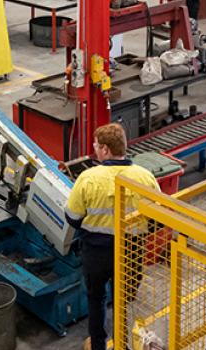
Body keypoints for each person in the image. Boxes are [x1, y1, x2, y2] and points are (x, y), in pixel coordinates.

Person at [65, 123, 160, 350]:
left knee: (96, 299)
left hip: (96, 252)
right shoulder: (145, 177)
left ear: (106, 150)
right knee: (124, 300)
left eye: (97, 146)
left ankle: (97, 344)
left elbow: (72, 218)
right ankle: (122, 343)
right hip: (131, 250)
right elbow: (158, 219)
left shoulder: (89, 178)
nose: (95, 150)